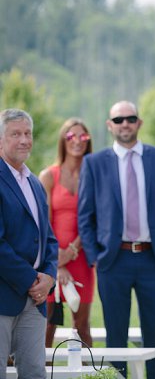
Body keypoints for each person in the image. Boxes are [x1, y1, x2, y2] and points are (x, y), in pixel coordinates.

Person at [78, 101, 155, 379]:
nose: (125, 123)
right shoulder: (94, 163)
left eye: (130, 118)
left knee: (154, 331)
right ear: (110, 125)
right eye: (119, 119)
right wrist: (95, 257)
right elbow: (85, 215)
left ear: (139, 122)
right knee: (115, 332)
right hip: (113, 259)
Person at [0, 108, 58, 378]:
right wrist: (31, 280)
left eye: (27, 133)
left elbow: (49, 238)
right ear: (1, 139)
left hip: (35, 300)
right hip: (5, 294)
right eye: (15, 134)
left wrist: (49, 277)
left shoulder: (34, 182)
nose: (24, 140)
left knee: (35, 371)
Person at [39, 118, 95, 348]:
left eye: (83, 136)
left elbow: (93, 218)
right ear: (63, 140)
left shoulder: (93, 175)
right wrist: (58, 263)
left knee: (82, 326)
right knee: (47, 325)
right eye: (71, 136)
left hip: (81, 259)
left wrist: (73, 250)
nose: (77, 141)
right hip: (51, 259)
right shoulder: (48, 176)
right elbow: (44, 222)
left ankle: (89, 374)